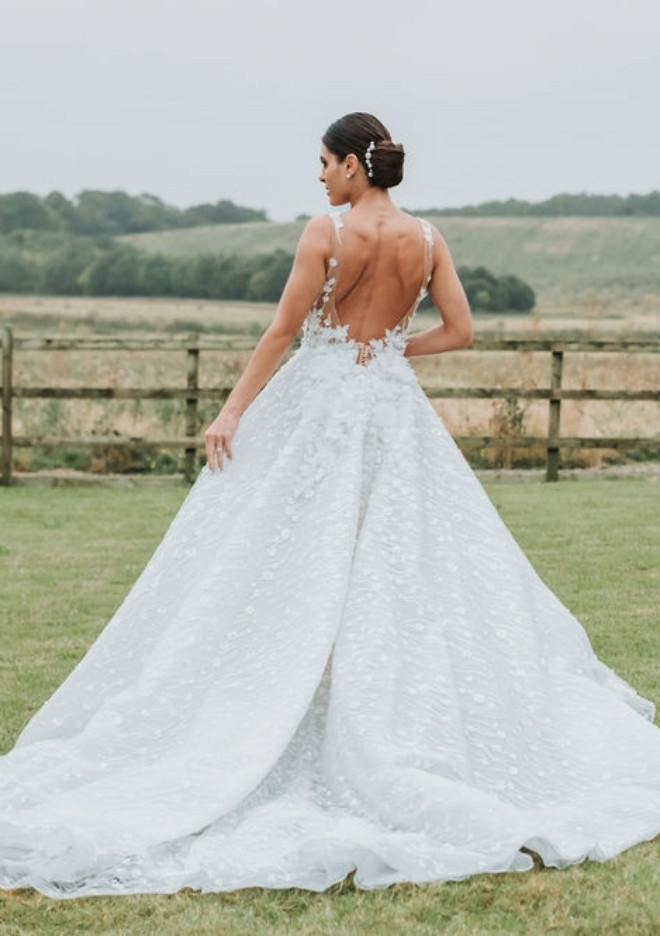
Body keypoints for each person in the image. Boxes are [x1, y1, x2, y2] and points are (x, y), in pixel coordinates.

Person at [1, 112, 660, 899]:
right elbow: (461, 331)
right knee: (396, 561)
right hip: (387, 407)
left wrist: (233, 409)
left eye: (323, 162)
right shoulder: (429, 237)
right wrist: (382, 350)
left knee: (275, 555)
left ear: (354, 165)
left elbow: (282, 331)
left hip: (316, 406)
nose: (318, 176)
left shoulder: (329, 231)